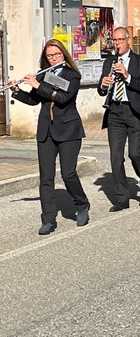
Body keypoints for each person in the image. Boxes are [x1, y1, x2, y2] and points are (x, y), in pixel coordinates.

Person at [10, 39, 90, 235]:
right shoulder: (45, 75)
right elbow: (33, 100)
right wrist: (17, 91)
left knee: (68, 173)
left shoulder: (73, 75)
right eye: (49, 56)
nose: (53, 58)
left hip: (69, 130)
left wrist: (37, 84)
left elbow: (63, 98)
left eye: (56, 55)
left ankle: (82, 204)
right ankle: (48, 219)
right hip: (46, 130)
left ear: (63, 55)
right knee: (46, 177)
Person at [97, 27, 140, 212]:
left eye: (120, 40)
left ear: (128, 40)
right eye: (114, 40)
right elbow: (101, 90)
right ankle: (122, 197)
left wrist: (128, 76)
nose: (117, 44)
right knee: (115, 157)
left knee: (135, 154)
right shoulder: (109, 62)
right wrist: (103, 85)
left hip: (135, 113)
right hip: (115, 112)